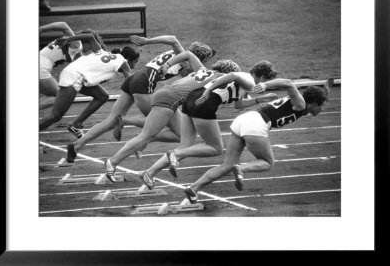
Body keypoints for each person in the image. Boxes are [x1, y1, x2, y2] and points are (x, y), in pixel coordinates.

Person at [65, 35, 216, 163]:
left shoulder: (181, 57)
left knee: (111, 119)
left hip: (134, 78)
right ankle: (127, 125)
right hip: (143, 83)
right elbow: (173, 39)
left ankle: (76, 145)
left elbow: (184, 73)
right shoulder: (184, 56)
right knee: (176, 131)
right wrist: (146, 41)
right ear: (199, 57)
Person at [183, 78, 333, 203]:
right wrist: (265, 85)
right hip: (257, 123)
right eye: (323, 105)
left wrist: (324, 92)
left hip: (244, 119)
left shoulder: (302, 104)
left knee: (227, 165)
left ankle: (194, 188)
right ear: (314, 103)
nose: (323, 109)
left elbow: (310, 100)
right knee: (267, 162)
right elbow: (288, 82)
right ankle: (242, 169)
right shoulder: (300, 104)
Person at [138, 60, 279, 189]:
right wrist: (208, 91)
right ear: (262, 78)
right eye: (266, 82)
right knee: (215, 148)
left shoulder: (245, 80)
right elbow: (231, 76)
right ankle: (175, 154)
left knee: (186, 146)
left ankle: (149, 173)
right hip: (205, 101)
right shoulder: (250, 82)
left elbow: (239, 104)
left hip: (192, 98)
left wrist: (260, 100)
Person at [104, 51, 241, 182]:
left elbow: (188, 54)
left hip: (167, 95)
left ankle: (149, 173)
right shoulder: (221, 78)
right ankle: (113, 161)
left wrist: (167, 65)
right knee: (145, 136)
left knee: (182, 138)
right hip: (169, 99)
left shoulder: (203, 69)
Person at [39, 31, 140, 136]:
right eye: (135, 62)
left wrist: (68, 38)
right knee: (56, 115)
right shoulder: (124, 63)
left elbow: (90, 36)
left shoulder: (103, 52)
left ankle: (76, 124)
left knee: (102, 96)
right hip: (74, 77)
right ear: (128, 59)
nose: (134, 66)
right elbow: (130, 83)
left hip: (72, 73)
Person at [39, 22, 83, 110]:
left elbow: (81, 62)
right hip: (41, 67)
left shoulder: (74, 45)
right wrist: (41, 29)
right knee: (61, 97)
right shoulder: (77, 43)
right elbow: (63, 25)